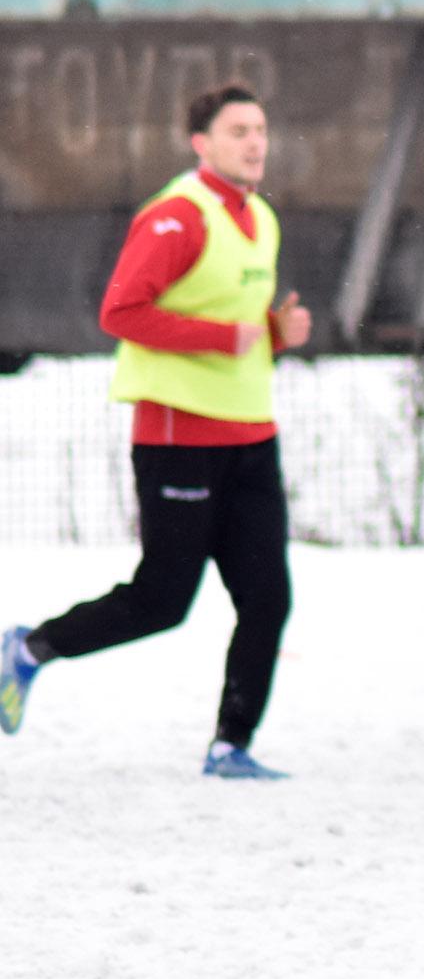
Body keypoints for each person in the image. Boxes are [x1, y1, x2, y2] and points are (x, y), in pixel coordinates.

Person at [3, 84, 313, 778]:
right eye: (238, 131)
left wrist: (271, 332)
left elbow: (235, 330)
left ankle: (231, 746)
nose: (255, 142)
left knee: (268, 599)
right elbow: (120, 312)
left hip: (251, 438)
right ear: (201, 143)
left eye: (260, 129)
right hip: (180, 439)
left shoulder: (259, 216)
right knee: (163, 601)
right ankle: (26, 650)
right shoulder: (178, 216)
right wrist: (222, 336)